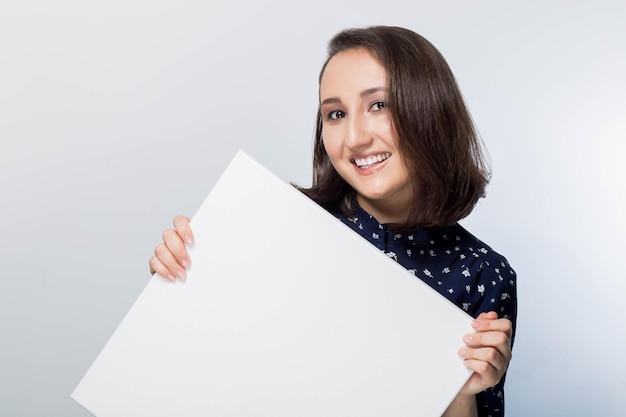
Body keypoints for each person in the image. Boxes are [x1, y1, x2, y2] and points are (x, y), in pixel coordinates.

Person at [149, 26, 517, 417]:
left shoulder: (482, 272)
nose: (355, 138)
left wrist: (461, 390)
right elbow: (205, 363)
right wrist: (178, 277)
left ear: (430, 110)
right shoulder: (276, 223)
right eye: (336, 114)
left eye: (379, 105)